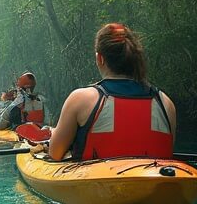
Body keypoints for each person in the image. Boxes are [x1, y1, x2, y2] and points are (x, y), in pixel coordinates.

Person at [35, 23, 176, 161]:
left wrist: (54, 134)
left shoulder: (80, 99)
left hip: (96, 181)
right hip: (153, 181)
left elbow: (55, 153)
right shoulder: (165, 102)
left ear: (100, 58)